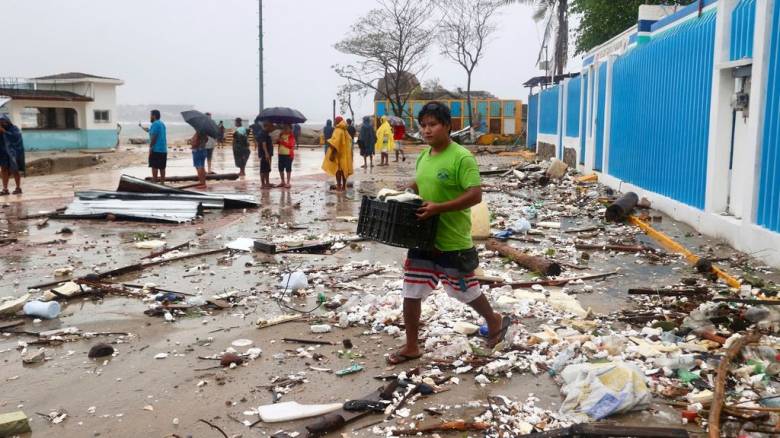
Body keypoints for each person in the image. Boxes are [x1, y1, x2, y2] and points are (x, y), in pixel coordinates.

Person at [386, 101, 509, 365]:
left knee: (465, 292)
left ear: (447, 126)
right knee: (411, 291)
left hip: (452, 239)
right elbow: (420, 183)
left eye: (433, 124)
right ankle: (411, 346)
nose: (427, 131)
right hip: (422, 238)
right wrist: (404, 192)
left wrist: (439, 208)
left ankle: (493, 319)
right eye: (423, 125)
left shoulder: (461, 157)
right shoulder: (423, 156)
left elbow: (475, 195)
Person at [321, 116, 353, 192]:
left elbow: (335, 143)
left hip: (338, 154)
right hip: (345, 154)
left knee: (338, 171)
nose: (334, 122)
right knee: (344, 170)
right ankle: (344, 186)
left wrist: (332, 154)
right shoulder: (345, 131)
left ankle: (339, 186)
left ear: (337, 122)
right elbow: (349, 141)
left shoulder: (338, 130)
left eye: (335, 121)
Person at [0, 114, 25, 195]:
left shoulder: (14, 128)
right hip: (3, 152)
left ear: (7, 121)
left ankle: (18, 188)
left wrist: (4, 132)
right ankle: (5, 189)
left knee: (15, 170)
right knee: (3, 170)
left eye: (3, 121)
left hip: (13, 153)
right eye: (0, 122)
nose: (2, 123)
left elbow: (16, 137)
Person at [252, 117, 275, 189]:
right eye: (271, 126)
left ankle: (267, 182)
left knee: (267, 169)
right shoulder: (263, 133)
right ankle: (263, 184)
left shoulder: (266, 133)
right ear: (267, 126)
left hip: (268, 154)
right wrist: (266, 153)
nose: (272, 128)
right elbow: (263, 144)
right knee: (263, 169)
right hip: (265, 154)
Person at [147, 110, 167, 183]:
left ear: (154, 116)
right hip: (163, 149)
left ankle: (155, 182)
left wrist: (151, 147)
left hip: (156, 149)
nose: (150, 117)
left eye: (151, 115)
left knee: (154, 166)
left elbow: (154, 137)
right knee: (162, 167)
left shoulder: (155, 124)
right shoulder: (162, 124)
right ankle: (162, 182)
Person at [276, 124, 295, 188]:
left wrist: (282, 142)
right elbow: (277, 142)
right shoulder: (281, 135)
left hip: (288, 155)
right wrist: (278, 138)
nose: (285, 129)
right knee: (280, 168)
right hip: (281, 154)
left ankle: (288, 182)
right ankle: (282, 181)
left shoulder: (291, 136)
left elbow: (290, 145)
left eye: (287, 128)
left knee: (288, 169)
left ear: (290, 129)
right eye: (284, 128)